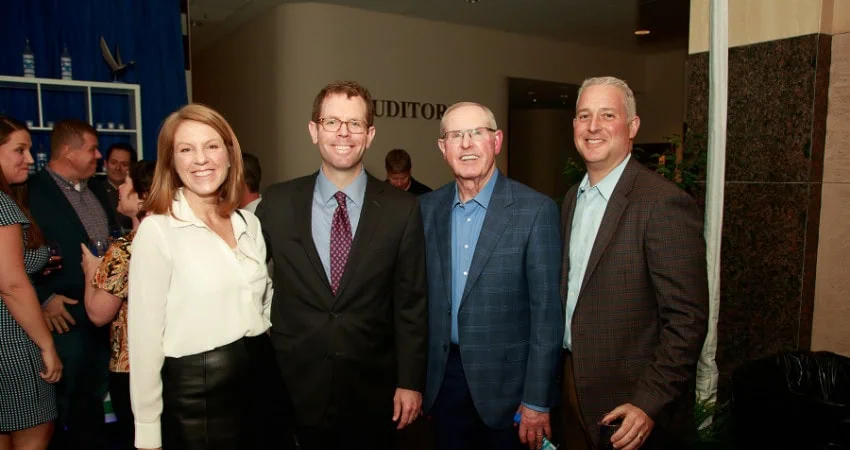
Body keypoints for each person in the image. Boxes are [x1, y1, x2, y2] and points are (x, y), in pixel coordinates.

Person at [256, 80, 427, 450]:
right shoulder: (278, 202)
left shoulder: (403, 209)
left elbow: (411, 303)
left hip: (374, 389)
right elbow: (243, 274)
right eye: (331, 122)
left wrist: (410, 381)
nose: (343, 133)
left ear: (370, 135)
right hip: (292, 385)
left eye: (355, 124)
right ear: (314, 131)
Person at [556, 76, 708, 450]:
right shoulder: (570, 200)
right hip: (571, 387)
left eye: (607, 115)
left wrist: (648, 403)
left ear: (633, 127)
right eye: (584, 115)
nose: (593, 126)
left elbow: (686, 320)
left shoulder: (662, 203)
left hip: (630, 405)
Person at [128, 103, 288, 450]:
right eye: (186, 149)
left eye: (212, 146)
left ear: (230, 155)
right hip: (196, 396)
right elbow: (143, 342)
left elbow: (263, 301)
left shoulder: (250, 224)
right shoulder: (158, 232)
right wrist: (147, 430)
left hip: (261, 379)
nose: (201, 159)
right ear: (172, 162)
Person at [419, 102, 563, 450]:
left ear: (496, 141)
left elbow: (547, 316)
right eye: (456, 135)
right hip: (444, 383)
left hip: (510, 391)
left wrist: (536, 400)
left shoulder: (535, 210)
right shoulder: (426, 209)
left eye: (477, 133)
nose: (466, 144)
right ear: (443, 148)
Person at [28, 119, 118, 450]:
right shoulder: (32, 191)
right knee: (59, 403)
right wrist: (43, 297)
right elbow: (13, 260)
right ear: (68, 151)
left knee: (93, 399)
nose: (98, 156)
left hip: (100, 314)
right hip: (62, 316)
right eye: (92, 149)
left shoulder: (95, 189)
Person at [81, 160, 155, 450]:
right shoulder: (177, 238)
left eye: (127, 183)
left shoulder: (126, 247)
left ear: (143, 196)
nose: (120, 188)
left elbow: (99, 314)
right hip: (174, 363)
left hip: (132, 366)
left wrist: (91, 271)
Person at [0, 115, 62, 450]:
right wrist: (47, 346)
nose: (28, 159)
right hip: (13, 343)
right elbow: (10, 284)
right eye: (18, 150)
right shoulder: (1, 206)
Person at [98, 143, 137, 232]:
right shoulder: (95, 191)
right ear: (105, 164)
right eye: (113, 162)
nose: (118, 168)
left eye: (124, 164)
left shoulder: (139, 193)